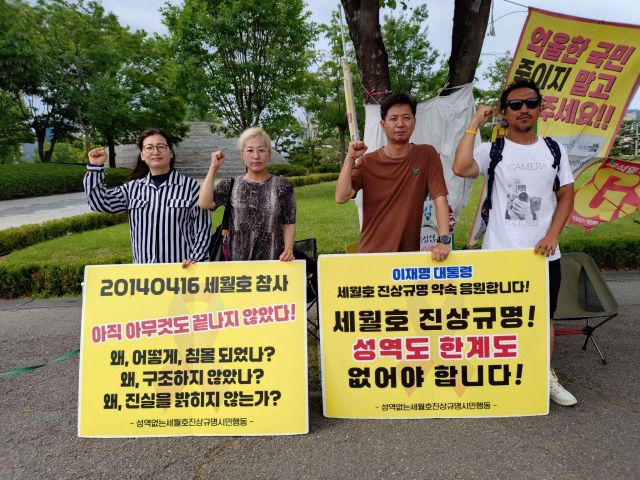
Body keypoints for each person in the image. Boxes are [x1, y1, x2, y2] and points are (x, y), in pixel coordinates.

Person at [452, 78, 577, 406]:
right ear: (504, 111)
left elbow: (566, 195)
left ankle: (544, 376)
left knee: (543, 319)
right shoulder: (493, 149)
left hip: (542, 256)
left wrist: (552, 235)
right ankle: (500, 378)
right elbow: (461, 167)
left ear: (540, 108)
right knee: (494, 318)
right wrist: (475, 122)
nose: (524, 109)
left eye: (531, 103)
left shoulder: (554, 149)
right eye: (516, 104)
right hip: (499, 254)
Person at [335, 92, 451, 260]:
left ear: (414, 122)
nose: (400, 124)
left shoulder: (426, 155)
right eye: (393, 119)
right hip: (371, 255)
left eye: (406, 118)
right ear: (383, 124)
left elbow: (440, 199)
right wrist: (350, 158)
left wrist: (443, 240)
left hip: (407, 257)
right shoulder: (367, 162)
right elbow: (341, 196)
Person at [83, 128, 212, 267]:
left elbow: (203, 227)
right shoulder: (132, 189)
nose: (155, 151)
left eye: (161, 146)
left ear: (171, 153)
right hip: (143, 273)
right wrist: (95, 167)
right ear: (142, 155)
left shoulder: (190, 187)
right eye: (149, 147)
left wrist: (196, 258)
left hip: (180, 271)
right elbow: (99, 202)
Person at [198, 126, 296, 262]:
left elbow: (289, 222)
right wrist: (213, 168)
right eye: (250, 150)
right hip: (237, 262)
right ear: (242, 154)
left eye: (261, 150)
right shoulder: (231, 184)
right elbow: (204, 203)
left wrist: (289, 249)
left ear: (269, 154)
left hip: (273, 260)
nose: (256, 156)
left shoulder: (283, 186)